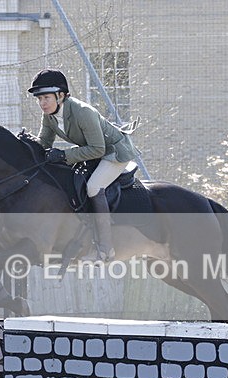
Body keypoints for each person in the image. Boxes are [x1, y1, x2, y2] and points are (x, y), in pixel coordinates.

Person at [28, 68, 139, 262]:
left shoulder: (82, 112)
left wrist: (63, 155)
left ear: (60, 95)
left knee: (94, 187)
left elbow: (97, 148)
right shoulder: (49, 116)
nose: (42, 103)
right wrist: (25, 145)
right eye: (39, 99)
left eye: (46, 97)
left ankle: (105, 249)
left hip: (115, 151)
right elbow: (43, 143)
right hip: (95, 152)